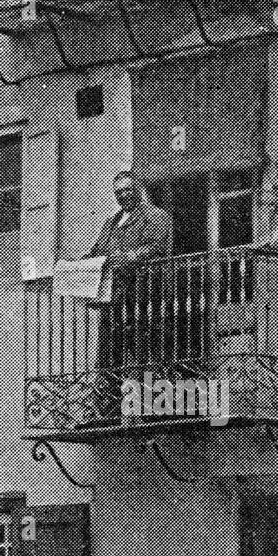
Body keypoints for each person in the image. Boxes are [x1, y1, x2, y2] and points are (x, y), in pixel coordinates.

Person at [86, 170, 173, 414]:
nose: (123, 195)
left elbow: (156, 247)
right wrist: (78, 266)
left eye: (128, 190)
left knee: (144, 348)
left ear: (138, 190)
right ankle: (107, 406)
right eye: (118, 192)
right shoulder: (111, 223)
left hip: (142, 295)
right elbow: (98, 251)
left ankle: (152, 403)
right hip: (113, 298)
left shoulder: (155, 216)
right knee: (108, 351)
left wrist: (126, 257)